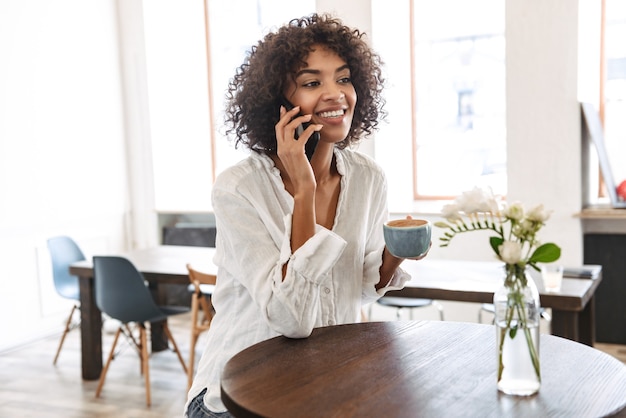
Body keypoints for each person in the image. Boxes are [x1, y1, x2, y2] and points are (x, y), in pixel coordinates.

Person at [185, 13, 429, 417]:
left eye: (344, 78)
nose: (336, 94)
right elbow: (292, 318)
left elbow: (361, 288)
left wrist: (395, 254)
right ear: (280, 104)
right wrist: (304, 192)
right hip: (237, 396)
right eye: (312, 83)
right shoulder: (239, 188)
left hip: (328, 386)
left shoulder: (369, 178)